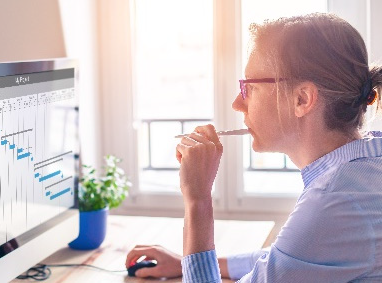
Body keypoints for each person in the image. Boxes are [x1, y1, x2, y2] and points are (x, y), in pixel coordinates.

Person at [125, 13, 382, 282]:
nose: (238, 103)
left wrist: (198, 200)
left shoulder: (333, 200)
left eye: (249, 87)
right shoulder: (364, 167)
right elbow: (288, 257)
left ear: (302, 99)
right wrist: (190, 262)